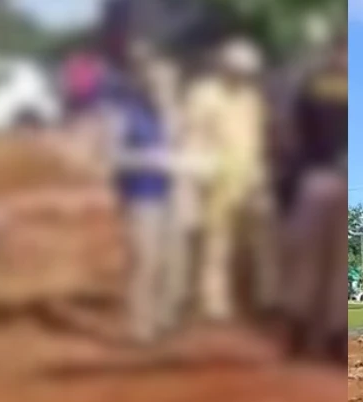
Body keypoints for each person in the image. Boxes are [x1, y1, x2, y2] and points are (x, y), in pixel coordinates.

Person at [185, 36, 273, 323]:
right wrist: (198, 173)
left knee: (253, 242)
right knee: (216, 243)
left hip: (247, 176)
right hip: (215, 178)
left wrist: (259, 178)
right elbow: (194, 136)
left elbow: (256, 140)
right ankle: (213, 302)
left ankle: (256, 299)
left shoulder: (250, 100)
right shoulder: (204, 95)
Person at [278, 31, 347, 361]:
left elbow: (289, 138)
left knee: (324, 266)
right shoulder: (315, 89)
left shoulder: (312, 88)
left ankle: (319, 334)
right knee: (312, 264)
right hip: (319, 179)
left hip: (321, 180)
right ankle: (304, 330)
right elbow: (292, 138)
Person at [105, 45, 180, 344]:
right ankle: (139, 325)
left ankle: (159, 318)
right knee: (144, 261)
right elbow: (113, 157)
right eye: (158, 85)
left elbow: (178, 152)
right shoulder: (128, 116)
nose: (162, 91)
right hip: (140, 196)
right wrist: (145, 159)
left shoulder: (167, 117)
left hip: (166, 193)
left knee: (163, 260)